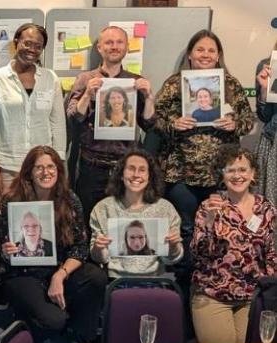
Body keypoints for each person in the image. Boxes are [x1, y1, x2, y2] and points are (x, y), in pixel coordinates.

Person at [154, 29, 255, 301]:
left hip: (220, 176)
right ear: (190, 53)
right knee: (187, 232)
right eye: (200, 49)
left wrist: (236, 124)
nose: (205, 55)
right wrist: (173, 124)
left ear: (219, 55)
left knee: (218, 230)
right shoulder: (175, 84)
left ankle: (213, 294)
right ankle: (184, 299)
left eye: (211, 50)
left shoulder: (230, 85)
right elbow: (156, 120)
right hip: (181, 172)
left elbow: (249, 121)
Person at [0, 145, 105, 343]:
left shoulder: (70, 200)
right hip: (23, 274)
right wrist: (6, 251)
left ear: (59, 169)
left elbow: (80, 247)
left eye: (51, 166)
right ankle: (24, 316)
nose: (46, 172)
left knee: (96, 277)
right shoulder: (12, 201)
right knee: (54, 321)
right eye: (39, 168)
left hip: (58, 268)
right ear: (29, 172)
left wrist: (60, 275)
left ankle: (81, 333)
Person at [66, 26, 156, 218]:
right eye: (109, 42)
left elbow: (148, 124)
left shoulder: (135, 81)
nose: (114, 47)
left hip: (126, 169)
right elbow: (74, 119)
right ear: (99, 48)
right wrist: (87, 95)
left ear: (126, 47)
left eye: (119, 42)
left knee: (122, 222)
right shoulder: (85, 79)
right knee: (89, 220)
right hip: (92, 166)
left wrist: (148, 97)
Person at [191, 146, 275, 343]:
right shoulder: (208, 207)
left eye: (243, 169)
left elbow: (271, 254)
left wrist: (271, 293)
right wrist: (211, 222)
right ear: (222, 175)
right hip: (213, 295)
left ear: (253, 174)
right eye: (230, 170)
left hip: (252, 297)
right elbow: (199, 254)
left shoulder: (266, 208)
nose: (237, 175)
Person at [0, 23, 65, 202]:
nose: (31, 49)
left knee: (41, 224)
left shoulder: (51, 79)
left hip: (43, 170)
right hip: (8, 168)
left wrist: (60, 167)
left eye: (38, 46)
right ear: (16, 42)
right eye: (27, 43)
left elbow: (58, 126)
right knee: (7, 223)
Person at [90, 149, 182, 277]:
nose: (136, 174)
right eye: (131, 168)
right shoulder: (103, 208)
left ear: (149, 177)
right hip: (115, 281)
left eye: (142, 170)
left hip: (154, 281)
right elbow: (100, 259)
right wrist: (98, 248)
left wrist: (174, 246)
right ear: (121, 175)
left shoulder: (165, 208)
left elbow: (172, 259)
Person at [254, 43, 277, 204]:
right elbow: (264, 116)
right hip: (273, 142)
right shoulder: (268, 65)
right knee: (270, 205)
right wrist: (264, 90)